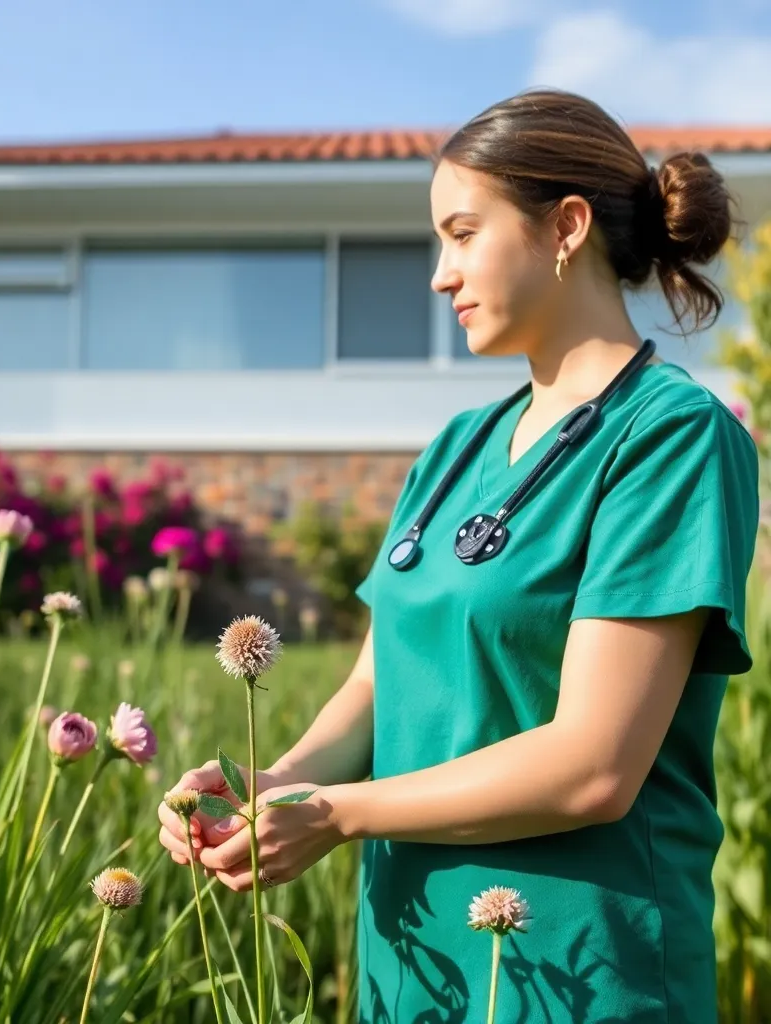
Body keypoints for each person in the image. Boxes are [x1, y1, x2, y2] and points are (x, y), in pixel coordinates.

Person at [157, 88, 759, 1023]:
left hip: (583, 977)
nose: (441, 275)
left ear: (565, 227)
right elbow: (373, 687)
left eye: (464, 233)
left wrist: (339, 813)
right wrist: (269, 784)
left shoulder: (671, 438)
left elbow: (593, 765)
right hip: (416, 968)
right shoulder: (455, 451)